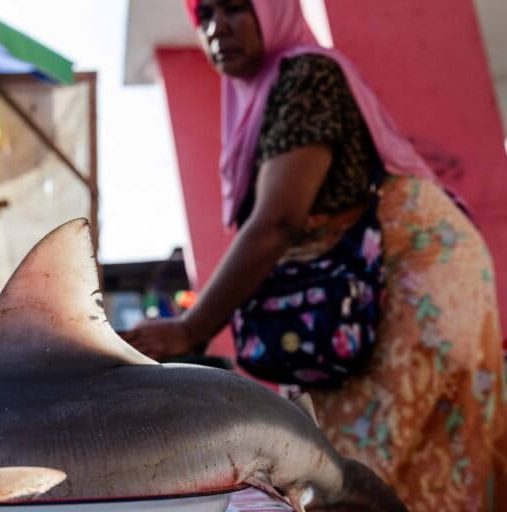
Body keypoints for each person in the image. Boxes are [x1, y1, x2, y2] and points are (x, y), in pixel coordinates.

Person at [120, 0, 507, 510]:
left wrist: (191, 328)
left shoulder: (306, 75)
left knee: (359, 470)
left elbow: (278, 221)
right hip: (356, 290)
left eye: (235, 8)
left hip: (411, 281)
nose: (218, 28)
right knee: (334, 462)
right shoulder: (256, 99)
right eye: (206, 16)